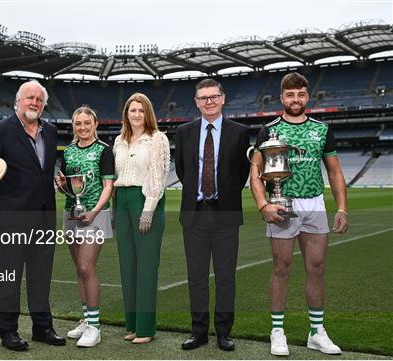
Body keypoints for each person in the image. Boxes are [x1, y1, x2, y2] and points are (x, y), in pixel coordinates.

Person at [249, 72, 349, 356]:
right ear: (282, 98)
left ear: (307, 97)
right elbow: (255, 173)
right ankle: (277, 331)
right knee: (281, 268)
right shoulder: (268, 130)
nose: (296, 99)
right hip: (282, 204)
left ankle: (316, 332)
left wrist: (341, 207)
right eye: (290, 95)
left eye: (301, 94)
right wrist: (263, 205)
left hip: (315, 205)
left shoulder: (323, 130)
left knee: (316, 269)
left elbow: (334, 172)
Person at [0, 80, 65, 351]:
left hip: (44, 218)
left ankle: (42, 326)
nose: (34, 103)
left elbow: (44, 174)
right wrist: (4, 211)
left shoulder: (50, 131)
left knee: (41, 276)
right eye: (29, 98)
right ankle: (8, 330)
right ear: (18, 101)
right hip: (11, 220)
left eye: (39, 100)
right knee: (9, 276)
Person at [175, 79, 250, 352]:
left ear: (223, 98)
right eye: (203, 97)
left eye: (213, 96)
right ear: (196, 102)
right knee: (196, 277)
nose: (208, 101)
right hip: (194, 214)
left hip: (225, 214)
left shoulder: (239, 132)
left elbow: (241, 172)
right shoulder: (184, 132)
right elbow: (183, 171)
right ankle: (198, 331)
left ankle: (224, 332)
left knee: (225, 276)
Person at [55, 106, 115, 347]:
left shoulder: (104, 150)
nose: (82, 127)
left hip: (95, 215)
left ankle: (95, 326)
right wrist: (61, 185)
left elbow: (108, 186)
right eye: (77, 123)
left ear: (95, 124)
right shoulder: (67, 152)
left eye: (86, 123)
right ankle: (86, 318)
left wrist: (94, 212)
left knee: (86, 266)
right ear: (73, 126)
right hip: (72, 213)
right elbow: (68, 188)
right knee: (79, 270)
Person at [113, 93, 170, 344]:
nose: (136, 114)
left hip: (145, 200)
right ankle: (133, 325)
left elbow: (158, 176)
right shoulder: (118, 140)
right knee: (128, 266)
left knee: (146, 267)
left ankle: (146, 329)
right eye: (132, 110)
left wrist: (148, 209)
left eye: (141, 110)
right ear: (126, 113)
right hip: (121, 200)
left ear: (148, 114)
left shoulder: (157, 139)